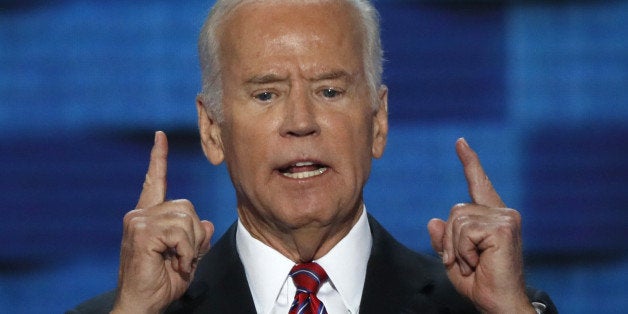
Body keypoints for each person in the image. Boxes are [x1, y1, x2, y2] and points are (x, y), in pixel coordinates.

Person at [69, 0, 556, 313]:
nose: (300, 120)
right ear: (212, 130)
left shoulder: (496, 309)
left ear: (378, 122)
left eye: (329, 89)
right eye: (265, 95)